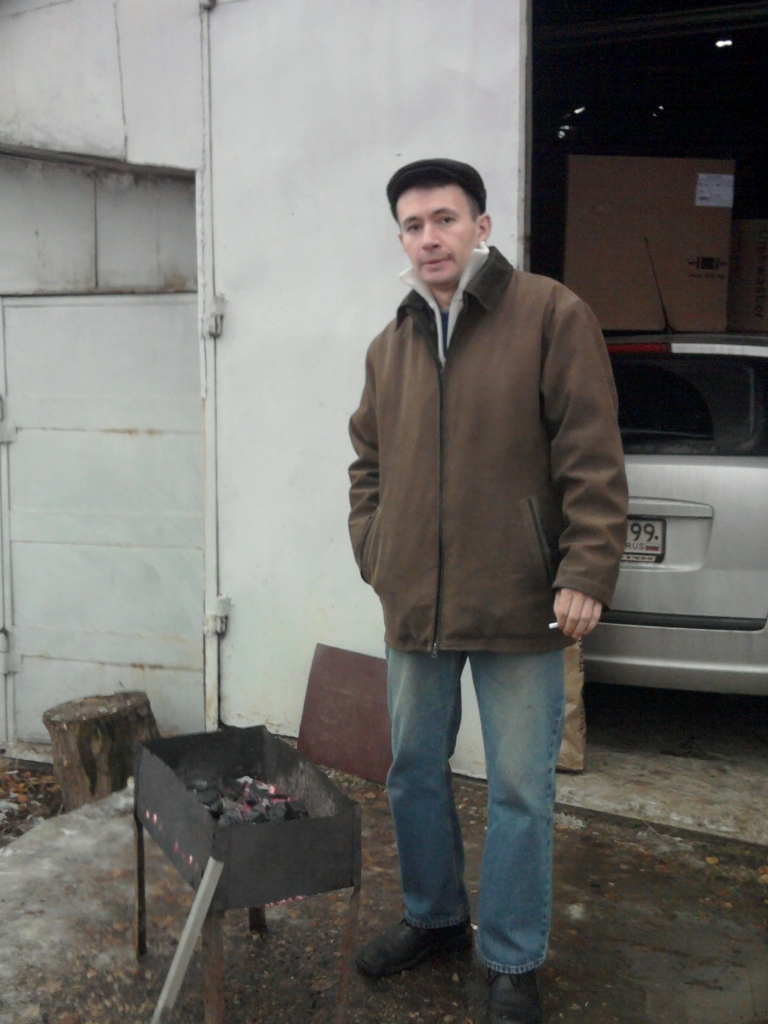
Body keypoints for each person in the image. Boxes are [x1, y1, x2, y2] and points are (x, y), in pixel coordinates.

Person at [347, 158, 627, 1024]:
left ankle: (511, 957)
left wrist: (584, 569)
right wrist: (377, 550)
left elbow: (591, 452)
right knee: (412, 774)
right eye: (413, 224)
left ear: (482, 226)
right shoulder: (391, 343)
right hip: (416, 608)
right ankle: (433, 918)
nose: (429, 237)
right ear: (401, 238)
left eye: (445, 219)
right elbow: (367, 464)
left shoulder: (550, 314)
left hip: (520, 602)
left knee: (518, 789)